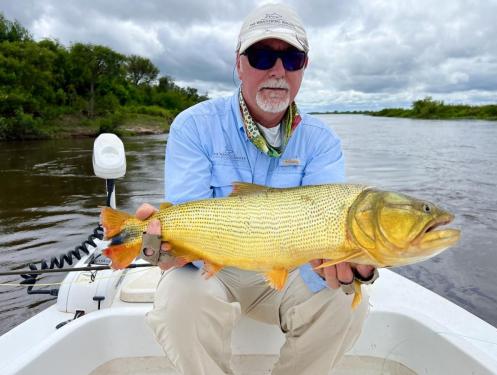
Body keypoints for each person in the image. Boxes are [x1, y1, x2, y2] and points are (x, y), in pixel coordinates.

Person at [139, 3, 377, 374]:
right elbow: (187, 219)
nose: (277, 71)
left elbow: (327, 225)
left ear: (304, 67)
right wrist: (163, 247)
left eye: (292, 58)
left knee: (348, 301)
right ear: (239, 64)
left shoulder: (322, 141)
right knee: (177, 299)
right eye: (262, 55)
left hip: (289, 270)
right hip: (214, 266)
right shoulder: (193, 126)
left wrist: (357, 258)